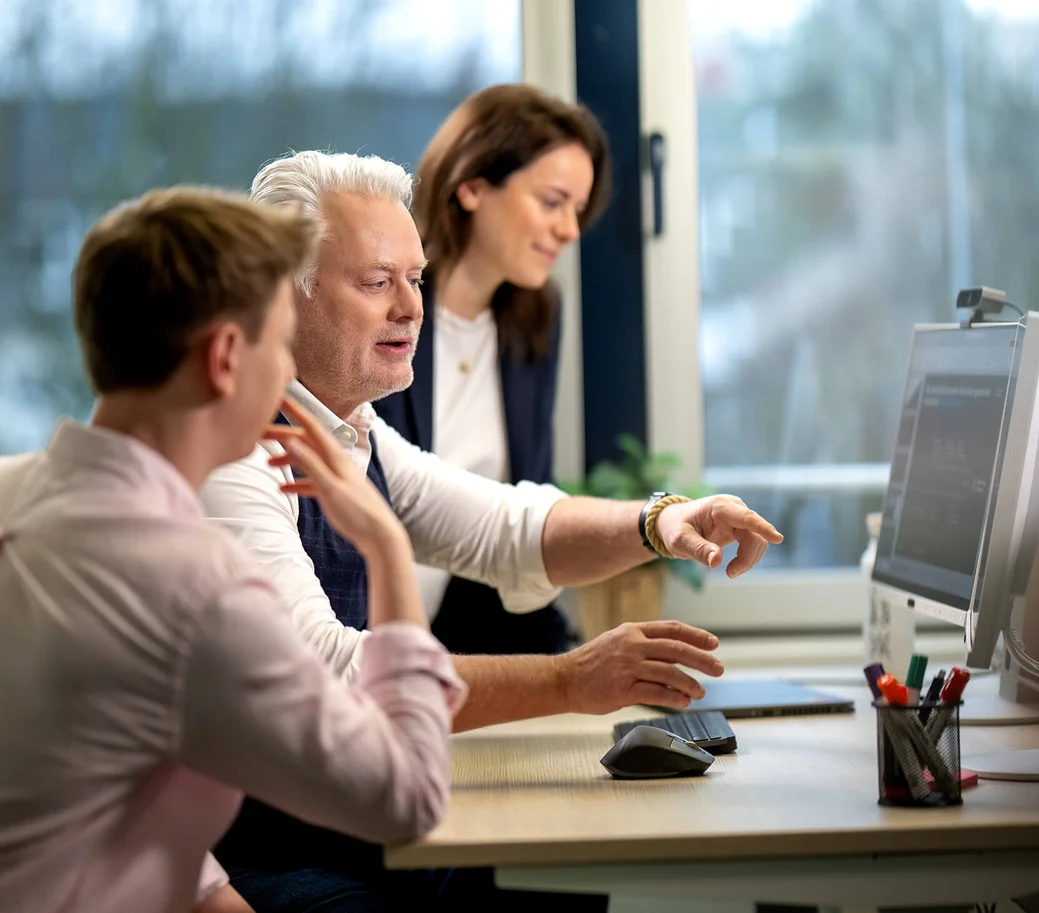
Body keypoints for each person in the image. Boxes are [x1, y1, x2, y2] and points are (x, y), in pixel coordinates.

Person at [199, 148, 784, 912]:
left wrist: (661, 520)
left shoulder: (350, 432)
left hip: (355, 820)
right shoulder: (236, 456)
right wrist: (570, 680)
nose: (410, 309)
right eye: (377, 283)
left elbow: (508, 527)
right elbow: (330, 681)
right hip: (265, 856)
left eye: (414, 279)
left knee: (556, 879)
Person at [0, 187, 469, 913]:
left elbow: (76, 776)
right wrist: (384, 545)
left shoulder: (13, 494)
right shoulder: (199, 586)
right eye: (280, 345)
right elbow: (408, 797)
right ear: (225, 358)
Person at [373, 83, 610, 655]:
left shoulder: (535, 317)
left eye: (577, 210)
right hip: (360, 636)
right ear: (473, 186)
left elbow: (518, 508)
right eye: (553, 202)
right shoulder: (379, 305)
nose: (571, 231)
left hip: (460, 643)